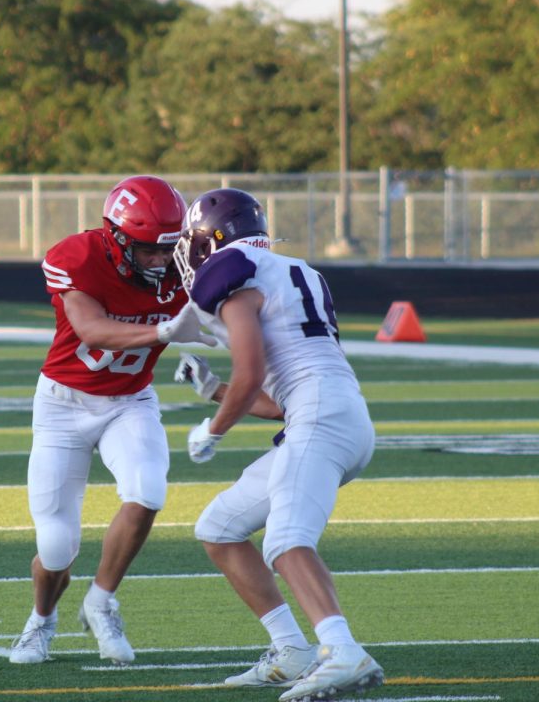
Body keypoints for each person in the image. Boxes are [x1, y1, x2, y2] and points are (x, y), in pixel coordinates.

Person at [171, 188, 383, 701]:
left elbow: (252, 374)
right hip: (333, 413)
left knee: (286, 541)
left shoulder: (236, 275)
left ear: (213, 240)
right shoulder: (294, 270)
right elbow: (277, 394)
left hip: (320, 417)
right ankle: (292, 650)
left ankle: (343, 650)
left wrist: (213, 429)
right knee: (219, 527)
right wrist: (213, 392)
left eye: (195, 241)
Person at [9, 175, 217, 666]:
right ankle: (41, 620)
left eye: (169, 249)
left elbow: (233, 316)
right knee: (56, 546)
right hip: (63, 404)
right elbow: (90, 328)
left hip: (129, 400)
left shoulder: (186, 267)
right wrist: (166, 329)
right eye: (149, 250)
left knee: (147, 490)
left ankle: (101, 602)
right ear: (118, 237)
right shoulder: (77, 257)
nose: (161, 260)